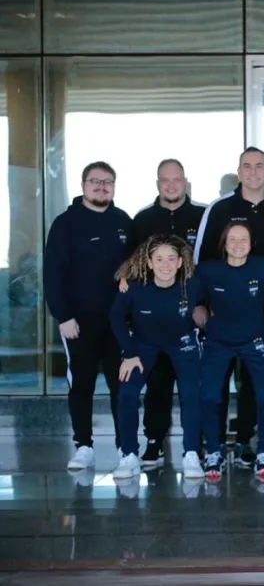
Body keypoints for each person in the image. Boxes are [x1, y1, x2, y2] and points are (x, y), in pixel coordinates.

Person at [194, 147, 264, 467]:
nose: (253, 172)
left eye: (259, 166)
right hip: (223, 315)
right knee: (217, 387)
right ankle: (215, 446)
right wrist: (203, 311)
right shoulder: (221, 209)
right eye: (246, 166)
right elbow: (202, 260)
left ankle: (250, 443)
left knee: (258, 387)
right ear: (238, 171)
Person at [44, 161, 132, 471]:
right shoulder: (65, 223)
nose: (101, 186)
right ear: (83, 185)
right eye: (95, 181)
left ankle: (126, 447)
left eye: (108, 182)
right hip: (78, 321)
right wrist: (62, 315)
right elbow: (52, 273)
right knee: (81, 384)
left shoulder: (123, 221)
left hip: (118, 321)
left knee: (121, 385)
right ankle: (84, 446)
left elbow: (135, 266)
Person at [128, 159, 206, 469]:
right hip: (153, 319)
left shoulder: (202, 216)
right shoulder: (143, 220)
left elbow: (211, 263)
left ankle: (195, 443)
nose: (171, 185)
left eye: (176, 179)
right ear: (157, 183)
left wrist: (204, 304)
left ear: (186, 181)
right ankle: (154, 441)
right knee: (158, 382)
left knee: (193, 384)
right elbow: (133, 268)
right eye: (165, 180)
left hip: (190, 316)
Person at [109, 235, 204, 480]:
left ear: (181, 262)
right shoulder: (133, 285)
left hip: (182, 342)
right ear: (148, 263)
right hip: (143, 344)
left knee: (192, 394)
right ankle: (129, 455)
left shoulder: (192, 284)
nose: (165, 264)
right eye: (159, 259)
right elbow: (116, 316)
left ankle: (191, 453)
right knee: (127, 393)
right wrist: (129, 353)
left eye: (172, 258)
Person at [197, 221, 264, 478]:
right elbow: (177, 279)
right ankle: (214, 451)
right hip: (218, 341)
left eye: (243, 239)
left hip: (255, 339)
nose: (238, 245)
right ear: (224, 243)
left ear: (251, 243)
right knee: (211, 397)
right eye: (232, 239)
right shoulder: (208, 270)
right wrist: (197, 308)